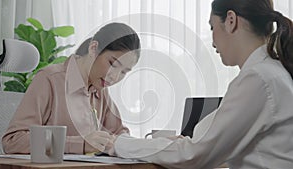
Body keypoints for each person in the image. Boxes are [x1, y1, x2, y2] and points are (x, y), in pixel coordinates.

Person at [104, 0, 293, 168]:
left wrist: (120, 144)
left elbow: (194, 155)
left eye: (212, 27)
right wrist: (179, 143)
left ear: (231, 20)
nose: (212, 42)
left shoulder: (258, 78)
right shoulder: (270, 72)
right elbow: (204, 141)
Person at [2, 22, 141, 154]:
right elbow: (13, 140)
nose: (115, 77)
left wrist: (126, 144)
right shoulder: (50, 79)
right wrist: (79, 144)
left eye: (124, 72)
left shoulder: (100, 89)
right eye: (113, 64)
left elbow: (119, 134)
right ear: (93, 48)